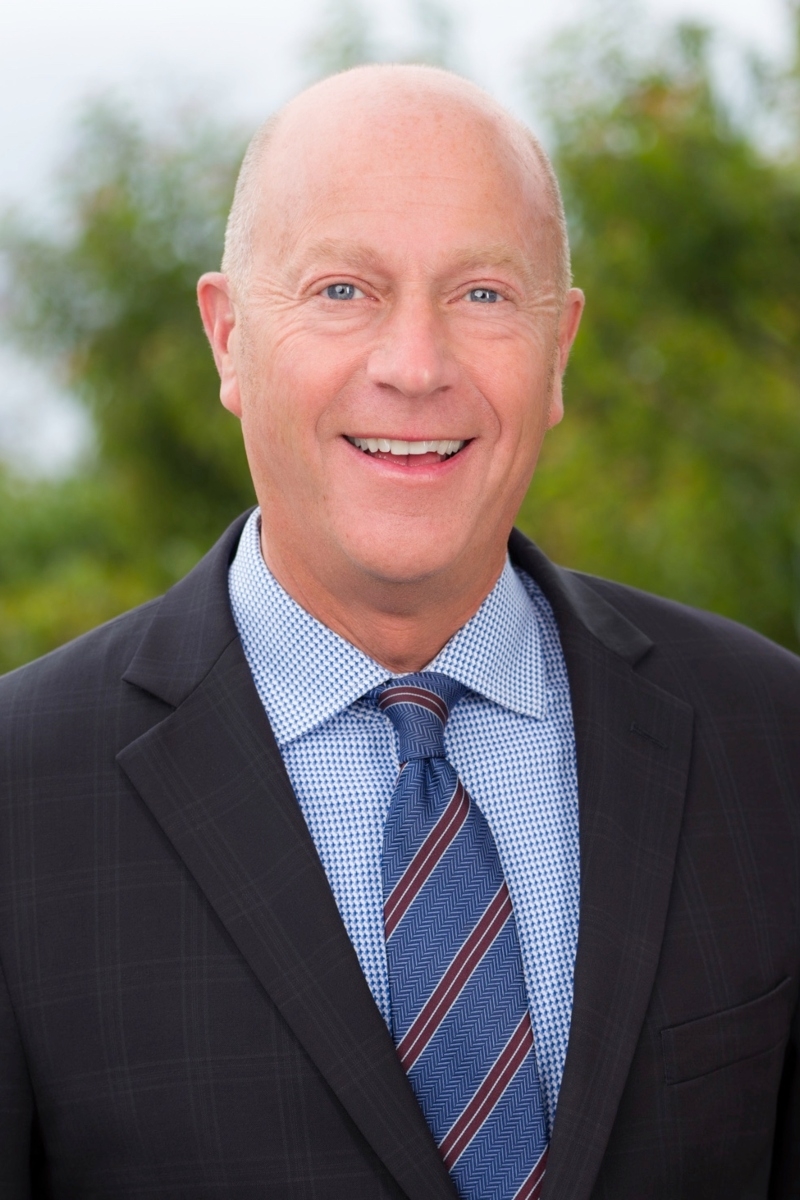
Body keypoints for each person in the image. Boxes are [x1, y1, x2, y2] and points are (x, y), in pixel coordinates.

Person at [0, 62, 798, 1200]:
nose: (415, 367)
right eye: (342, 290)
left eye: (481, 295)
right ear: (227, 337)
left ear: (558, 346)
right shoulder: (18, 799)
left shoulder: (770, 741)